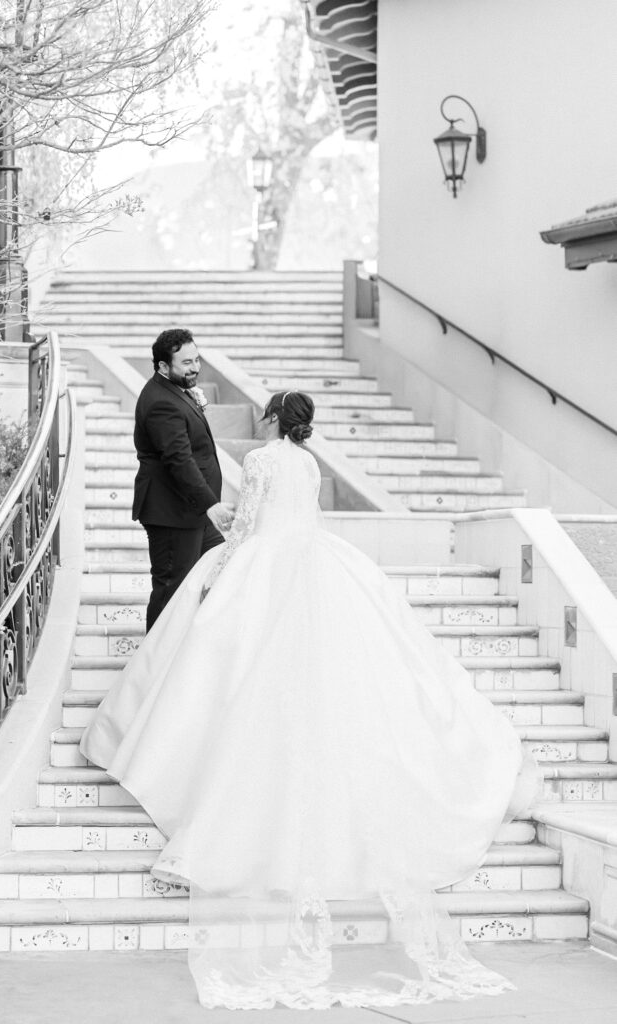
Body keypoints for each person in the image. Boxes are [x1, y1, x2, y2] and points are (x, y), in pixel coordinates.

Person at [81, 390, 539, 1011]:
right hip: (314, 563)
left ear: (273, 418)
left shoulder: (266, 461)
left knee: (226, 665)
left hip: (266, 564)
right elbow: (306, 521)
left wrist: (220, 568)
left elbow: (246, 525)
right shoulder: (307, 463)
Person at [132, 328, 233, 631]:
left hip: (194, 513)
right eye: (186, 363)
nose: (195, 368)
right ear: (163, 366)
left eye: (196, 360)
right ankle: (151, 668)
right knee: (171, 591)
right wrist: (210, 504)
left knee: (221, 570)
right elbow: (179, 459)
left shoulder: (175, 392)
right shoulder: (161, 402)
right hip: (173, 514)